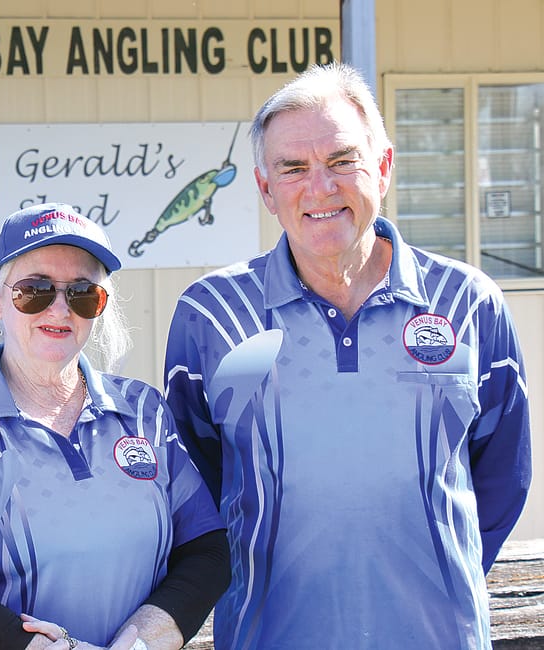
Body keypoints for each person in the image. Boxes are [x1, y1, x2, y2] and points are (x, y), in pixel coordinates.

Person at [164, 63, 533, 649]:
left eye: (341, 160)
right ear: (265, 189)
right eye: (293, 168)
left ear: (382, 166)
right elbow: (196, 489)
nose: (320, 187)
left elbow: (501, 475)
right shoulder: (210, 316)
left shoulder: (469, 302)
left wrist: (433, 579)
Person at [0, 203, 231, 650]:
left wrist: (144, 640)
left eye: (82, 293)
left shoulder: (143, 410)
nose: (59, 309)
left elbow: (207, 550)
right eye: (34, 290)